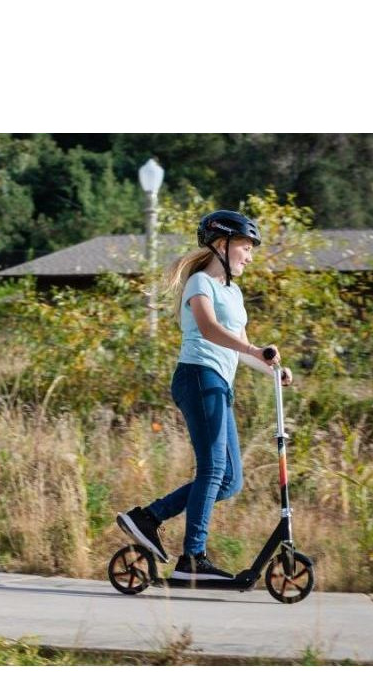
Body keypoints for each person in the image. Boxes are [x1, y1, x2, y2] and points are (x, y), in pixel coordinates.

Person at [116, 209, 292, 581]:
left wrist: (272, 368)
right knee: (213, 469)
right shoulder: (200, 283)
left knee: (230, 480)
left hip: (219, 384)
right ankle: (192, 558)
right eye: (246, 247)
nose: (249, 256)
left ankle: (149, 517)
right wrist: (255, 351)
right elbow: (210, 329)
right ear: (222, 245)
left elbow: (242, 349)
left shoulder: (234, 293)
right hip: (198, 376)